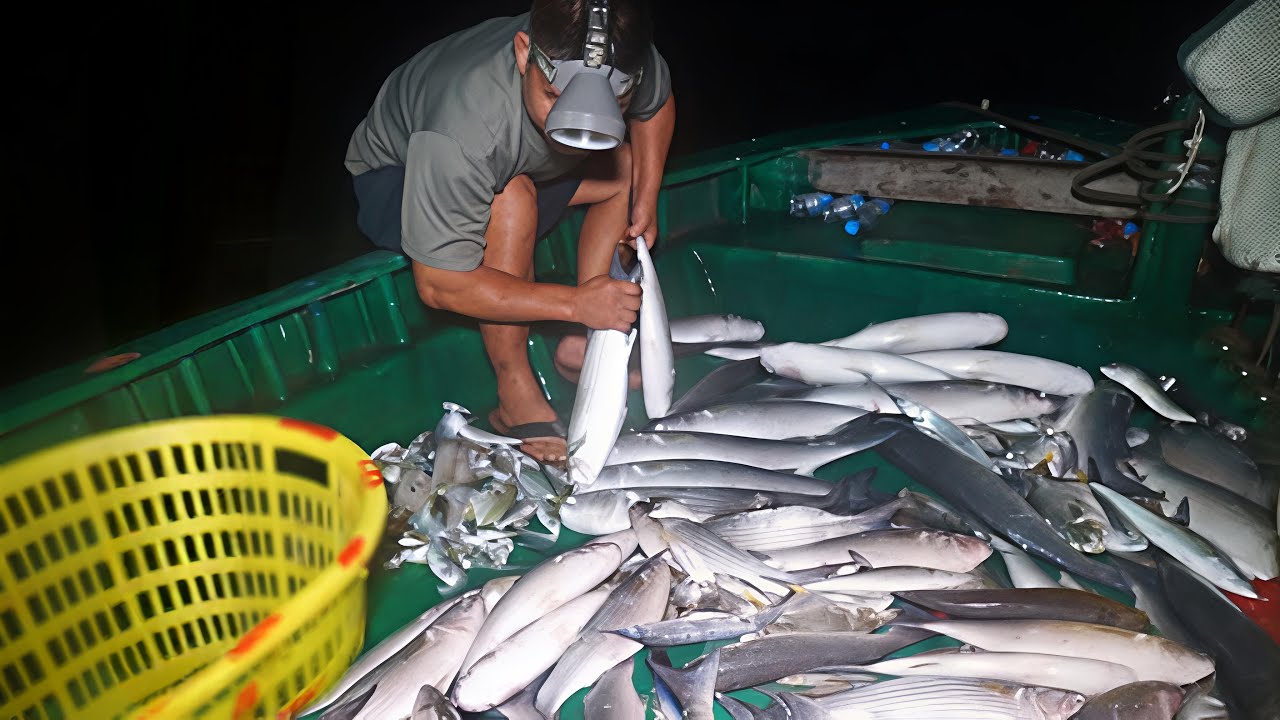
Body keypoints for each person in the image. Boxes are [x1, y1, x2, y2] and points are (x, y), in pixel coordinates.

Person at [344, 0, 675, 464]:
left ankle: (583, 342)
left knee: (625, 169)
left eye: (610, 103)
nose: (576, 123)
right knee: (513, 195)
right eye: (557, 99)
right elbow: (440, 284)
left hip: (521, 161)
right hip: (399, 176)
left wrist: (645, 198)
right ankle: (513, 388)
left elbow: (656, 105)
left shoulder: (619, 52)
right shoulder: (462, 130)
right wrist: (573, 302)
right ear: (524, 54)